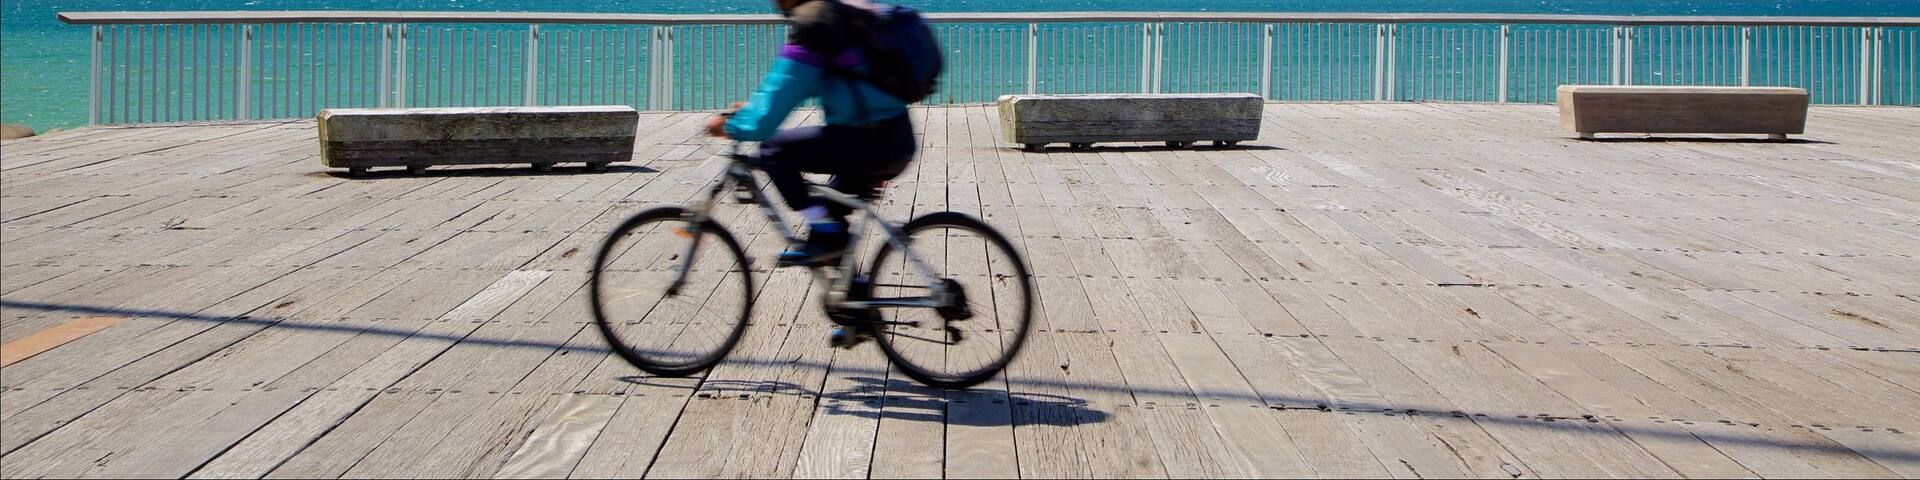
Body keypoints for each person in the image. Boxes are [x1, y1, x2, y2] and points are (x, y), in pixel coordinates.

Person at [704, 0, 918, 267]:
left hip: (868, 142)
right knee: (829, 217)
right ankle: (850, 300)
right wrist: (752, 110)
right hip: (891, 135)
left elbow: (779, 96)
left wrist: (732, 126)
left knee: (774, 150)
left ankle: (827, 236)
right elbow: (804, 85)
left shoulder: (814, 24)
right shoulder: (838, 16)